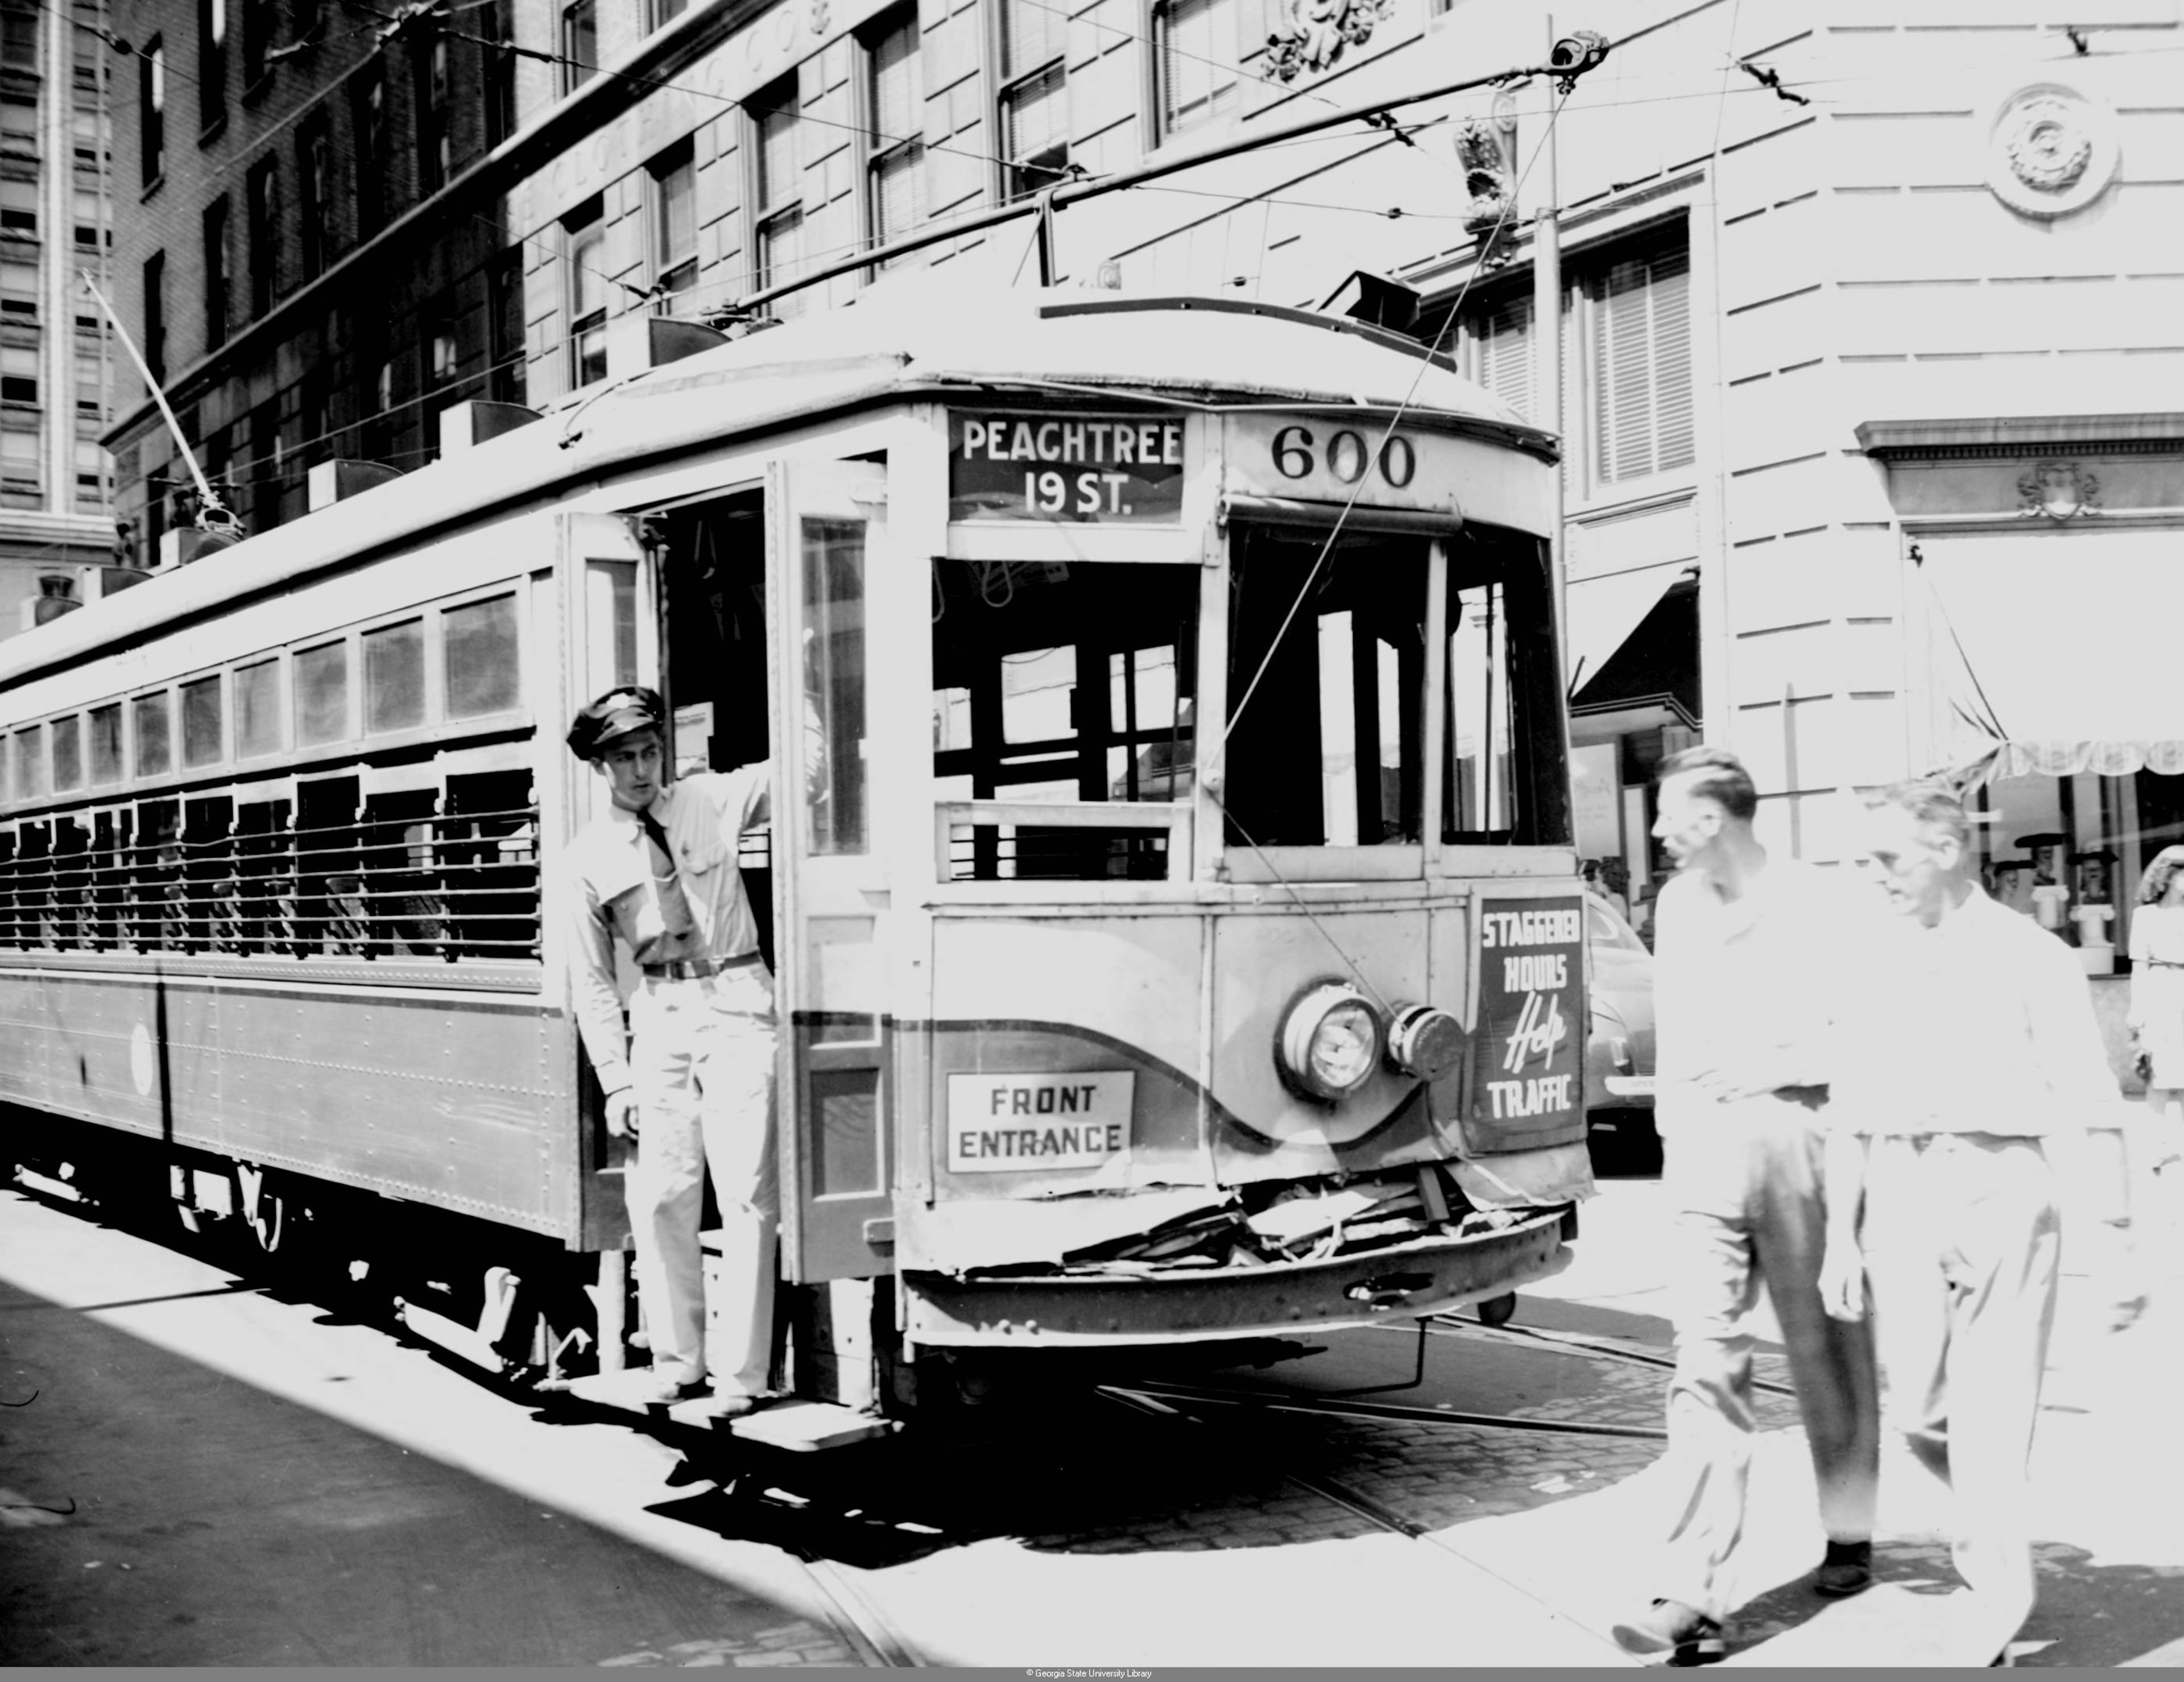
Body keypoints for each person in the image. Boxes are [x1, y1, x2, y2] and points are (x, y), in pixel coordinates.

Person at [1819, 779, 2131, 1667]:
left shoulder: (2031, 953)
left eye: (1887, 859)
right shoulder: (1873, 956)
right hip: (1904, 1189)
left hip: (2003, 1186)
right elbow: (1849, 1106)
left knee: (1994, 1415)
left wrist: (2122, 1238)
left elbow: (2092, 1098)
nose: (1874, 877)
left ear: (1948, 850)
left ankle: (1995, 1595)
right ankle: (1993, 1536)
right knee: (1920, 1411)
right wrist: (1843, 1234)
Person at [1612, 747, 1880, 1665]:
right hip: (1705, 1151)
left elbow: (1862, 1039)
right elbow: (1680, 1025)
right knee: (1705, 1357)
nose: (1654, 831)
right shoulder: (1677, 906)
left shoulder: (1822, 901)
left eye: (1669, 814)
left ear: (1717, 819)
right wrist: (1676, 1131)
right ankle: (1692, 1590)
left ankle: (1850, 1522)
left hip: (1801, 1131)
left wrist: (1775, 1068)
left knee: (1825, 1345)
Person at [564, 685, 780, 1411]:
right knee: (661, 1194)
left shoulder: (709, 800)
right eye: (623, 756)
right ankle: (677, 1361)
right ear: (600, 765)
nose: (640, 768)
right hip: (658, 1010)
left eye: (650, 750)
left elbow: (807, 773)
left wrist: (811, 667)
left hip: (739, 996)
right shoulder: (587, 855)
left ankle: (741, 1379)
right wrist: (615, 1080)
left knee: (748, 1191)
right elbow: (592, 982)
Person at [2127, 844, 2184, 1175]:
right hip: (2162, 992)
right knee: (2159, 1075)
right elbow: (2140, 967)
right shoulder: (2145, 916)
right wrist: (2138, 1011)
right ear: (2169, 876)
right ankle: (2157, 1146)